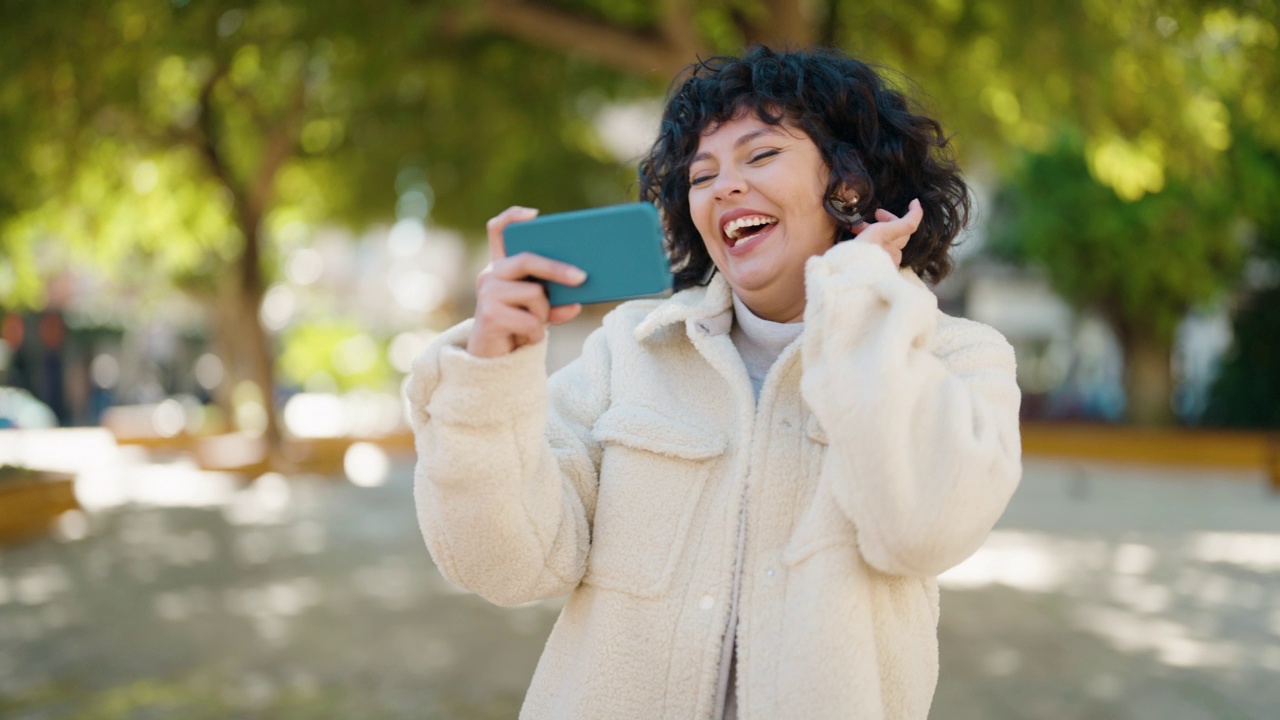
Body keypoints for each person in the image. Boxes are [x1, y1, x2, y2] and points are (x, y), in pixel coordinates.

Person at [405, 45, 1022, 720]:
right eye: (702, 176)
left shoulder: (957, 357)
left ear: (848, 186)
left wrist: (858, 297)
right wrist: (492, 371)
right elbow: (503, 565)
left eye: (760, 157)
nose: (724, 187)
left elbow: (924, 529)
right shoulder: (628, 351)